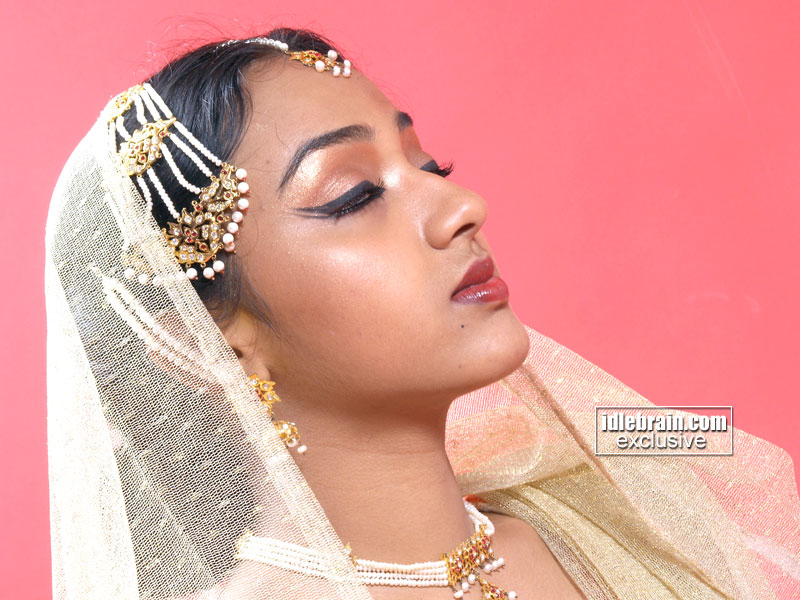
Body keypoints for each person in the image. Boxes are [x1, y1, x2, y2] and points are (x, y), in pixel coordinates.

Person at [45, 27, 799, 600]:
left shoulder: (594, 508)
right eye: (354, 195)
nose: (463, 206)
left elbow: (707, 445)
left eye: (430, 166)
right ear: (203, 336)